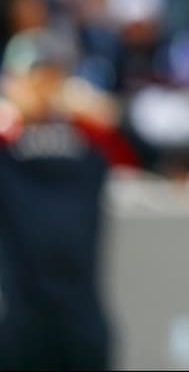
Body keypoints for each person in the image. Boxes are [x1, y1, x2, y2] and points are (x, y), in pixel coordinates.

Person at [0, 28, 134, 371]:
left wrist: (95, 111)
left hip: (80, 310)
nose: (42, 87)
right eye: (33, 76)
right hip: (21, 311)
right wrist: (12, 113)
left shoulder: (87, 138)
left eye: (50, 76)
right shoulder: (7, 137)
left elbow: (135, 154)